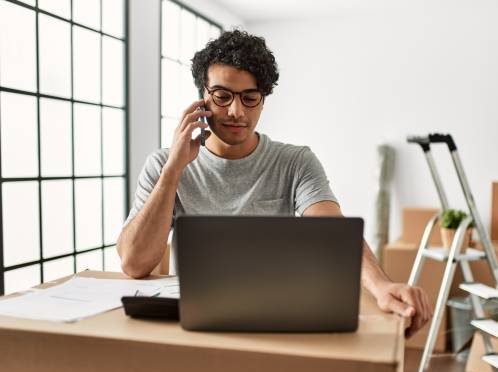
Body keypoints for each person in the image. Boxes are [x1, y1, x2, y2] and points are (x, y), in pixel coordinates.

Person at [117, 29, 432, 332]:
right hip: (193, 321)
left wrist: (381, 285)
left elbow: (333, 232)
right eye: (222, 96)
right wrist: (173, 170)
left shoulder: (295, 162)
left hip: (272, 315)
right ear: (203, 96)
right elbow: (134, 264)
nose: (236, 111)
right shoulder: (163, 163)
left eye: (250, 98)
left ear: (263, 100)